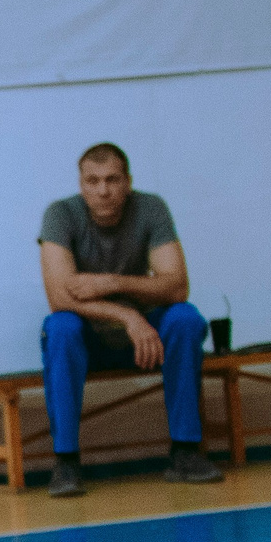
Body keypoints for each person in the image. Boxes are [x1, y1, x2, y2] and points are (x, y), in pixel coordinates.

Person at [38, 142, 222, 497]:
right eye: (92, 181)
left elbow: (177, 286)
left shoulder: (151, 208)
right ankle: (66, 462)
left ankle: (185, 452)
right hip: (89, 339)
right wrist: (126, 315)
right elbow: (59, 297)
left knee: (185, 318)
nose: (103, 190)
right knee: (60, 327)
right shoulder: (60, 215)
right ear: (81, 185)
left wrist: (112, 283)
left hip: (146, 340)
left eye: (112, 180)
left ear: (127, 182)